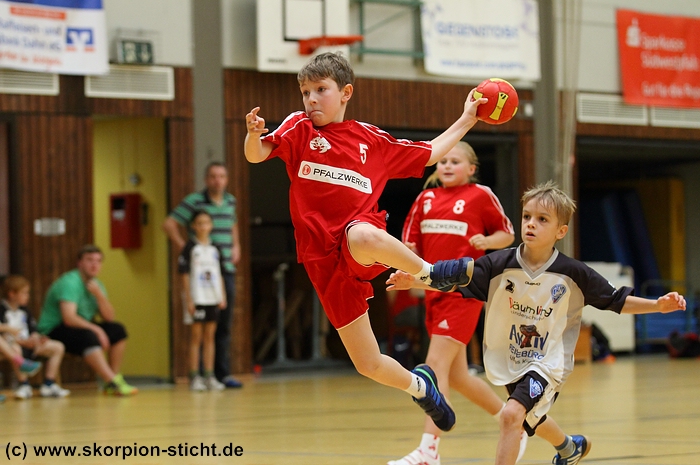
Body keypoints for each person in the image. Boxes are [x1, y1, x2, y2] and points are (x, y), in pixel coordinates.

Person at [244, 51, 486, 432]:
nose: (311, 99)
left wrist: (467, 119)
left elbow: (429, 153)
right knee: (368, 364)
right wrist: (253, 135)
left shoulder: (370, 140)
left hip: (358, 241)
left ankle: (432, 274)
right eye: (305, 92)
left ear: (345, 93)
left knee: (362, 233)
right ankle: (422, 387)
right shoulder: (298, 129)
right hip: (322, 261)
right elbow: (256, 155)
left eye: (320, 90)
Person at [386, 181, 686, 465]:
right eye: (527, 216)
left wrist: (657, 306)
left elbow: (616, 300)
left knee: (511, 415)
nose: (531, 224)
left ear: (561, 231)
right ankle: (569, 447)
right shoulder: (500, 264)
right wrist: (415, 280)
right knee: (531, 418)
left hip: (548, 361)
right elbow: (451, 277)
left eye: (542, 219)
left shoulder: (573, 273)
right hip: (511, 357)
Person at [390, 141, 520, 465]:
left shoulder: (480, 195)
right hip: (433, 292)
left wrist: (487, 241)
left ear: (471, 169)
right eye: (443, 161)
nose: (447, 166)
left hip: (464, 291)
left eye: (455, 161)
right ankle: (513, 422)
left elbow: (507, 234)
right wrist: (407, 269)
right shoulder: (425, 199)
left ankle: (428, 451)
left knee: (434, 367)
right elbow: (409, 244)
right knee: (459, 377)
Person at [163, 161, 243, 389]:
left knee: (222, 324)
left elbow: (233, 224)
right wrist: (185, 247)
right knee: (198, 331)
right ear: (207, 179)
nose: (218, 180)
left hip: (224, 270)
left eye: (222, 176)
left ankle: (219, 374)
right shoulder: (194, 201)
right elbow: (169, 224)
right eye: (213, 176)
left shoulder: (230, 201)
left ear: (226, 179)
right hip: (200, 274)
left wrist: (236, 245)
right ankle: (197, 374)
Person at [37, 245, 138, 396]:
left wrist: (99, 295)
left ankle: (113, 379)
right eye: (90, 260)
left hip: (80, 327)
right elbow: (69, 318)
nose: (94, 265)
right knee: (88, 336)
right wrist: (97, 330)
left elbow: (109, 317)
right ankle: (112, 381)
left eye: (98, 261)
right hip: (54, 330)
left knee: (117, 330)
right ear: (79, 263)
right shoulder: (70, 282)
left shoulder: (97, 285)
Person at [179, 210, 227, 391]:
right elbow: (184, 274)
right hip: (197, 297)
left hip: (213, 297)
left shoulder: (215, 248)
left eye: (206, 223)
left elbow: (220, 273)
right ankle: (194, 377)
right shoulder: (190, 248)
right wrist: (189, 299)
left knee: (210, 337)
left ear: (211, 226)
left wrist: (222, 295)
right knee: (196, 337)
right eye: (199, 223)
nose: (203, 226)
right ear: (193, 226)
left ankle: (209, 376)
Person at [0, 275, 70, 399]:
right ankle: (24, 385)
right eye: (24, 293)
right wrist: (21, 341)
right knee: (15, 348)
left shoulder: (25, 310)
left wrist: (37, 339)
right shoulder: (1, 309)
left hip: (29, 344)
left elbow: (33, 330)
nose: (27, 296)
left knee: (58, 346)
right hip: (14, 345)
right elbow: (4, 337)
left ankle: (49, 384)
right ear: (12, 294)